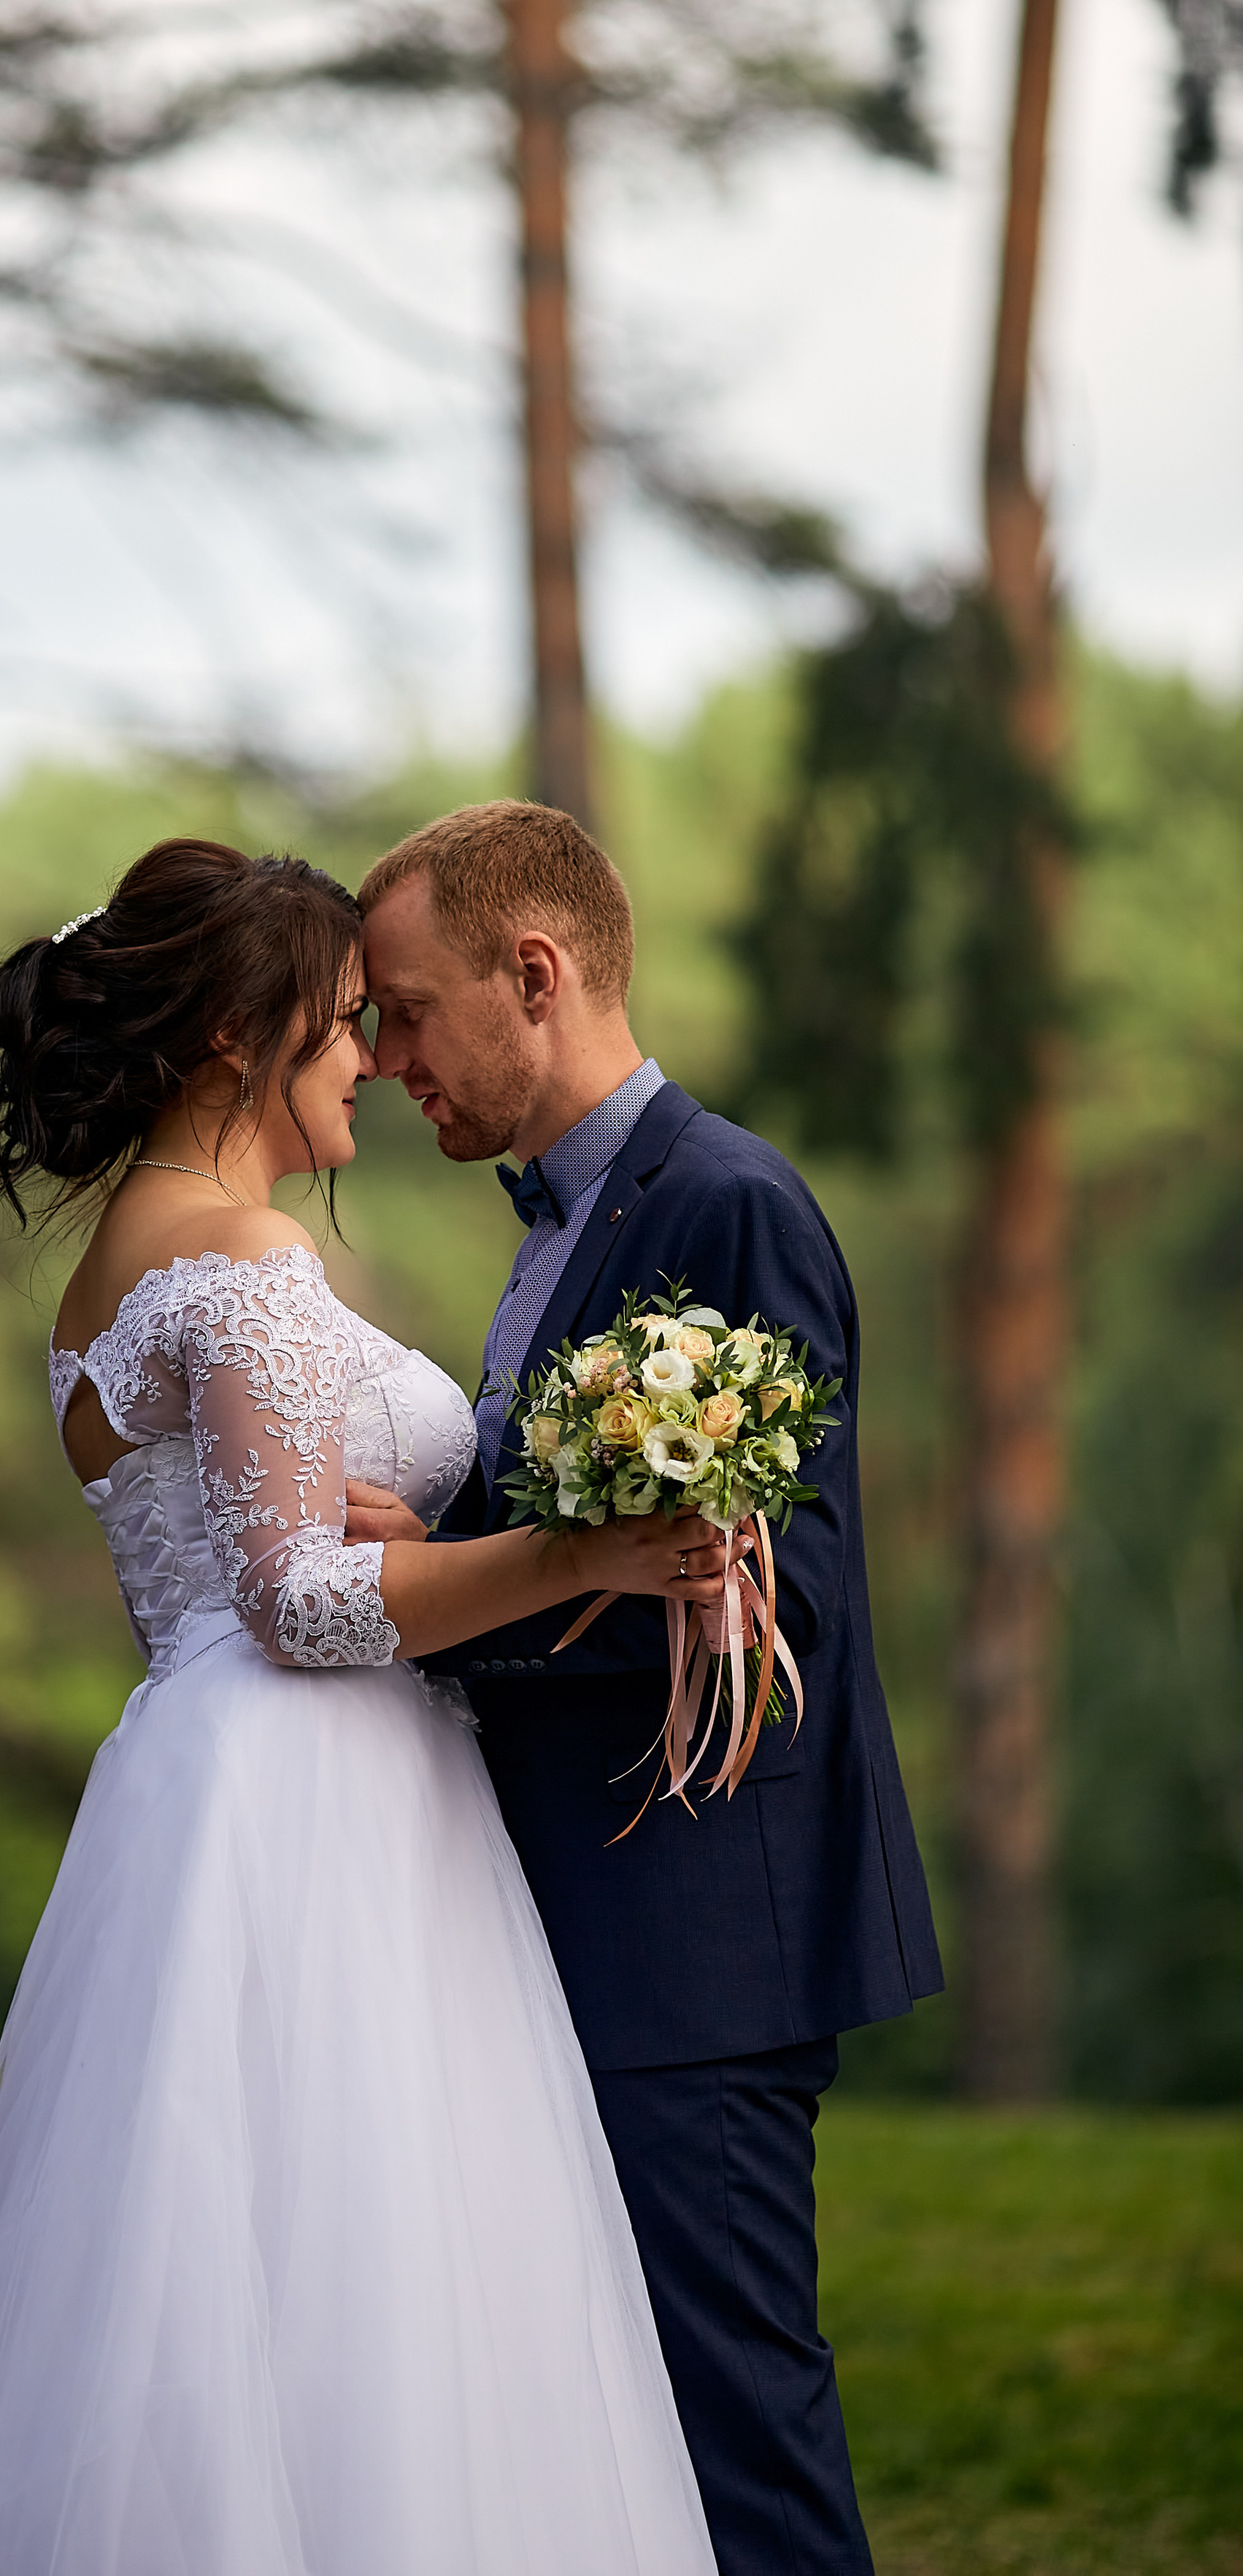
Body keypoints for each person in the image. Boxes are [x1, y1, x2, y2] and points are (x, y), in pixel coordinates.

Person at [0, 837, 718, 2576]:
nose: (372, 1066)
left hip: (202, 1780)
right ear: (237, 1038)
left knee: (223, 2280)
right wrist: (581, 1552)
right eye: (342, 1025)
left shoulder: (113, 1268)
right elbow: (306, 1599)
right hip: (313, 1795)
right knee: (366, 2277)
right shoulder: (242, 1252)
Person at [355, 799, 944, 2576]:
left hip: (693, 1937)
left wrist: (428, 1603)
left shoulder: (728, 1203)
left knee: (731, 2433)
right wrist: (459, 1517)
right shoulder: (563, 1222)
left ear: (531, 975)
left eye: (403, 1011)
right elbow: (594, 1525)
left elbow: (777, 1601)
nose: (383, 1062)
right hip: (586, 1913)